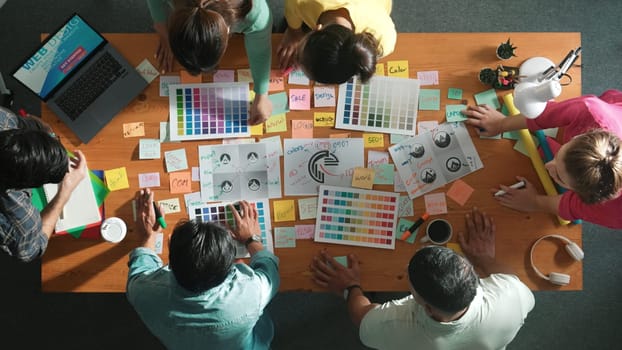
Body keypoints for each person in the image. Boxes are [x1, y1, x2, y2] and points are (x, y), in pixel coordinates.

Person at [310, 208, 535, 350]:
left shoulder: (393, 324)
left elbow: (362, 317)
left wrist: (351, 287)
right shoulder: (511, 296)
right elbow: (510, 278)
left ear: (425, 307)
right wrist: (484, 257)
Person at [127, 189, 280, 349]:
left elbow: (140, 268)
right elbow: (270, 271)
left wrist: (149, 236)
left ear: (170, 259)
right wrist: (251, 238)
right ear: (230, 268)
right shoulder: (251, 294)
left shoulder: (143, 292)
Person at [463, 89, 622, 229]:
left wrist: (534, 203)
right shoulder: (590, 109)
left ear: (583, 194)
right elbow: (545, 115)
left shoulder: (614, 213)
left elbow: (572, 206)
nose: (548, 165)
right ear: (582, 135)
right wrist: (501, 123)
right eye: (561, 152)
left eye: (559, 177)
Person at [146, 0, 273, 124]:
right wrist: (163, 32)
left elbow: (260, 51)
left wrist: (262, 94)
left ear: (228, 31)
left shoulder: (254, 11)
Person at [0, 107, 87, 262]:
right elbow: (33, 249)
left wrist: (49, 137)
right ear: (25, 185)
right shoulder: (21, 222)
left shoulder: (4, 119)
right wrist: (64, 194)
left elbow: (29, 121)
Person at [277, 0, 396, 84]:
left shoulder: (383, 39)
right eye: (297, 56)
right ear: (316, 29)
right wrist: (294, 33)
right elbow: (292, 9)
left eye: (297, 57)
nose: (296, 64)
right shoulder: (302, 2)